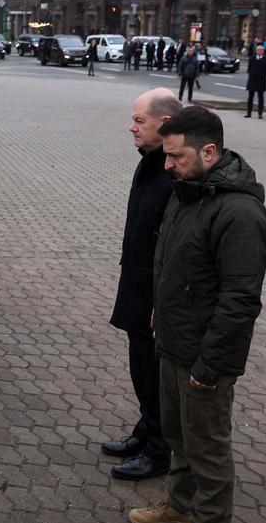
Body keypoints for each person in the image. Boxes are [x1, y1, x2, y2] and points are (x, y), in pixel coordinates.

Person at [128, 105, 266, 523]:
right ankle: (177, 507)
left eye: (176, 157)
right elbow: (170, 261)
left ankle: (210, 516)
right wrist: (159, 306)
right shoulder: (186, 191)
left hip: (204, 356)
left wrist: (210, 365)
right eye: (167, 156)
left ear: (209, 152)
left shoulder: (240, 214)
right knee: (178, 437)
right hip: (174, 342)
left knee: (207, 449)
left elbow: (241, 300)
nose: (167, 164)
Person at [106, 88, 183, 481]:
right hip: (138, 282)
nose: (132, 127)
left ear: (165, 124)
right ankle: (145, 431)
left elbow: (178, 245)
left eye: (139, 121)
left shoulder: (175, 172)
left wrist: (161, 298)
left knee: (153, 375)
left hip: (157, 294)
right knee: (140, 366)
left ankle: (158, 451)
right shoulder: (153, 161)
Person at [246, 45, 266, 119]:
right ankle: (249, 113)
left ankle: (260, 114)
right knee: (250, 97)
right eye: (258, 50)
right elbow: (249, 68)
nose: (259, 51)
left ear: (263, 51)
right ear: (256, 51)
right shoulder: (252, 58)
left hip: (261, 80)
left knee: (260, 98)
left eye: (261, 50)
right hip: (252, 79)